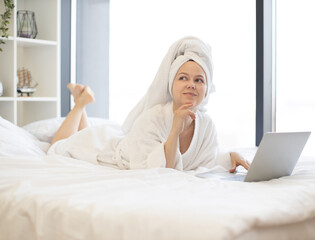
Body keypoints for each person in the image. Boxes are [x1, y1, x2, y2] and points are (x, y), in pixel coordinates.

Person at [48, 36, 250, 172]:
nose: (191, 85)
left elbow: (207, 160)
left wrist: (232, 155)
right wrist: (175, 129)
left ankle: (82, 102)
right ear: (171, 85)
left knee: (77, 135)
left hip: (117, 140)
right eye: (183, 78)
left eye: (199, 80)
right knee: (58, 147)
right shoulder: (152, 118)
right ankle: (80, 104)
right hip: (106, 150)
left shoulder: (207, 125)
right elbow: (163, 172)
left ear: (207, 89)